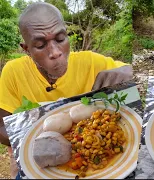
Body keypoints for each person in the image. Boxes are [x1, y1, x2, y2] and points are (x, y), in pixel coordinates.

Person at [0, 2, 133, 178]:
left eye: (60, 39)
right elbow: (2, 127)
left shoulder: (92, 63)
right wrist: (40, 141)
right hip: (37, 159)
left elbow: (131, 88)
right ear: (27, 49)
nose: (55, 52)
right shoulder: (14, 72)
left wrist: (129, 72)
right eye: (40, 45)